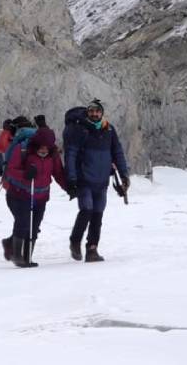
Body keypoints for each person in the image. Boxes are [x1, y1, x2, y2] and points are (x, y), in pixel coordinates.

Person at [64, 99, 129, 263]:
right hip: (84, 179)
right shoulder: (80, 130)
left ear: (102, 113)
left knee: (97, 216)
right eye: (91, 111)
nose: (94, 114)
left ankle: (92, 249)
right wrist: (71, 177)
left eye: (97, 111)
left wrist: (124, 175)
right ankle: (75, 241)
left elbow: (118, 153)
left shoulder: (109, 129)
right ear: (87, 112)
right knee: (86, 210)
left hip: (102, 181)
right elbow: (71, 154)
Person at [2, 127, 67, 267]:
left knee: (34, 226)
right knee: (23, 222)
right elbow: (10, 170)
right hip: (19, 193)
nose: (44, 150)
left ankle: (27, 257)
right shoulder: (23, 149)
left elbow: (59, 174)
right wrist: (25, 174)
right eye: (41, 147)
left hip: (41, 196)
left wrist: (69, 188)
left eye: (47, 148)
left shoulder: (53, 155)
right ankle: (17, 255)